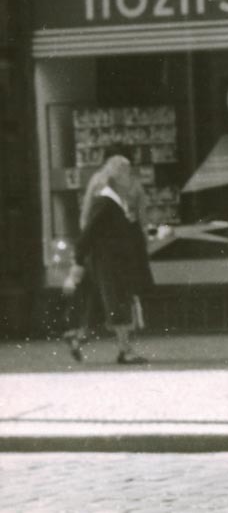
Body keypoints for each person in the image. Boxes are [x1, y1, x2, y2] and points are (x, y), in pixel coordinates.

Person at [62, 153, 152, 364]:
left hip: (107, 261)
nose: (130, 179)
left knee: (102, 305)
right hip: (109, 262)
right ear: (118, 178)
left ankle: (78, 338)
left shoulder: (113, 202)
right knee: (118, 301)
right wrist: (78, 261)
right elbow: (88, 233)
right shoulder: (106, 202)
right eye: (127, 173)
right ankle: (125, 351)